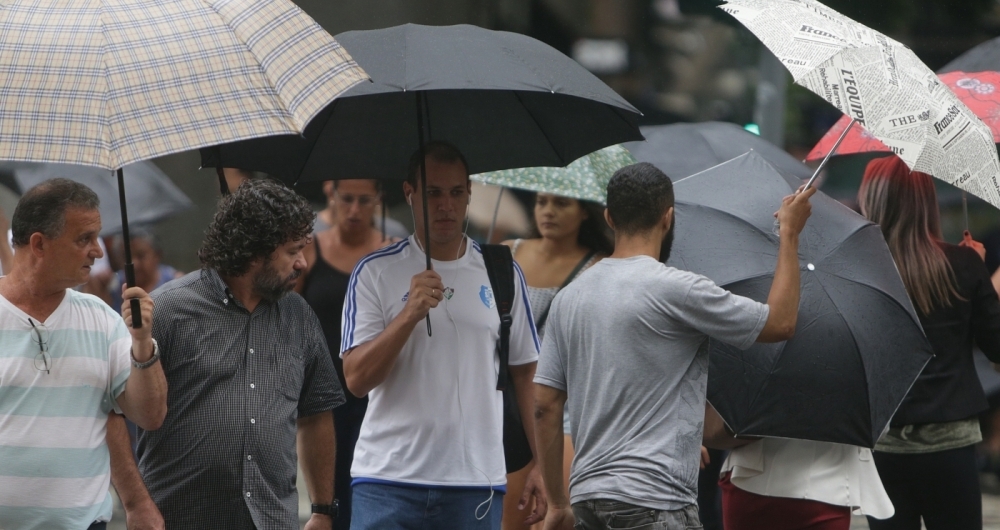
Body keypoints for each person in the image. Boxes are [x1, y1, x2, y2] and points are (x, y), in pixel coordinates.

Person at [533, 162, 815, 530]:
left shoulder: (570, 297)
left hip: (589, 498)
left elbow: (544, 404)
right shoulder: (678, 289)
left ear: (608, 217)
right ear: (668, 218)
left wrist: (557, 503)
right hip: (655, 500)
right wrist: (789, 233)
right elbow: (780, 322)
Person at [110, 179, 346, 529]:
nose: (302, 263)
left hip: (270, 519)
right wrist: (135, 504)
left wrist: (323, 510)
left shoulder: (298, 315)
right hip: (178, 519)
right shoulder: (169, 309)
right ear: (255, 251)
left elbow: (316, 413)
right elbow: (114, 416)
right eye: (292, 251)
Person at [341, 141, 545, 530]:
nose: (445, 205)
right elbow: (355, 379)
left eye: (455, 192)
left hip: (474, 484)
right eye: (433, 193)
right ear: (409, 194)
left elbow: (526, 373)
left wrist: (542, 466)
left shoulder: (501, 272)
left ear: (469, 193)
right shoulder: (374, 271)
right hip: (386, 480)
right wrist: (409, 314)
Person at [0, 178, 167, 529]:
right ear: (39, 244)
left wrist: (142, 343)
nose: (98, 251)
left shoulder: (102, 319)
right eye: (84, 239)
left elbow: (148, 415)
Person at [857, 156, 1000, 530]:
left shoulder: (857, 269)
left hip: (882, 443)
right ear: (927, 202)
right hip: (949, 442)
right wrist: (979, 273)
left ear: (872, 200)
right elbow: (997, 346)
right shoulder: (962, 265)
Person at [501, 192, 612, 529]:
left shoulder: (601, 266)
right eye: (542, 202)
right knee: (511, 521)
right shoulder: (506, 253)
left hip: (567, 408)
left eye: (561, 204)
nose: (547, 211)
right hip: (507, 406)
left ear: (584, 213)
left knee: (554, 518)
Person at [297, 178, 399, 529]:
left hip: (377, 388)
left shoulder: (392, 252)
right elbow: (286, 311)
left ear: (379, 200)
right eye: (347, 199)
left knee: (375, 484)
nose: (355, 209)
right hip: (323, 392)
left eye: (364, 200)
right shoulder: (310, 251)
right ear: (332, 196)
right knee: (332, 490)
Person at [704, 405, 894, 530]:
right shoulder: (857, 356)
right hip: (827, 491)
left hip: (751, 480)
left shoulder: (760, 346)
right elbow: (878, 429)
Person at [108, 229, 183, 312]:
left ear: (157, 255)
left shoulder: (177, 285)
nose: (134, 264)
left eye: (141, 256)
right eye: (126, 257)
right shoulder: (111, 287)